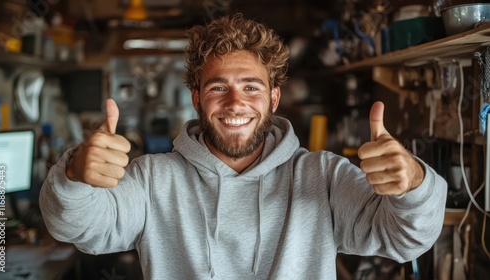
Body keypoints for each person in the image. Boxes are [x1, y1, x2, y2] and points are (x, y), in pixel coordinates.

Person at [39, 13, 447, 279]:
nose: (236, 104)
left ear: (273, 99)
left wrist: (412, 182)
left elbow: (405, 238)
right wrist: (76, 174)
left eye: (251, 87)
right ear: (197, 99)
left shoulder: (322, 176)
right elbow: (80, 228)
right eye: (219, 88)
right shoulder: (152, 178)